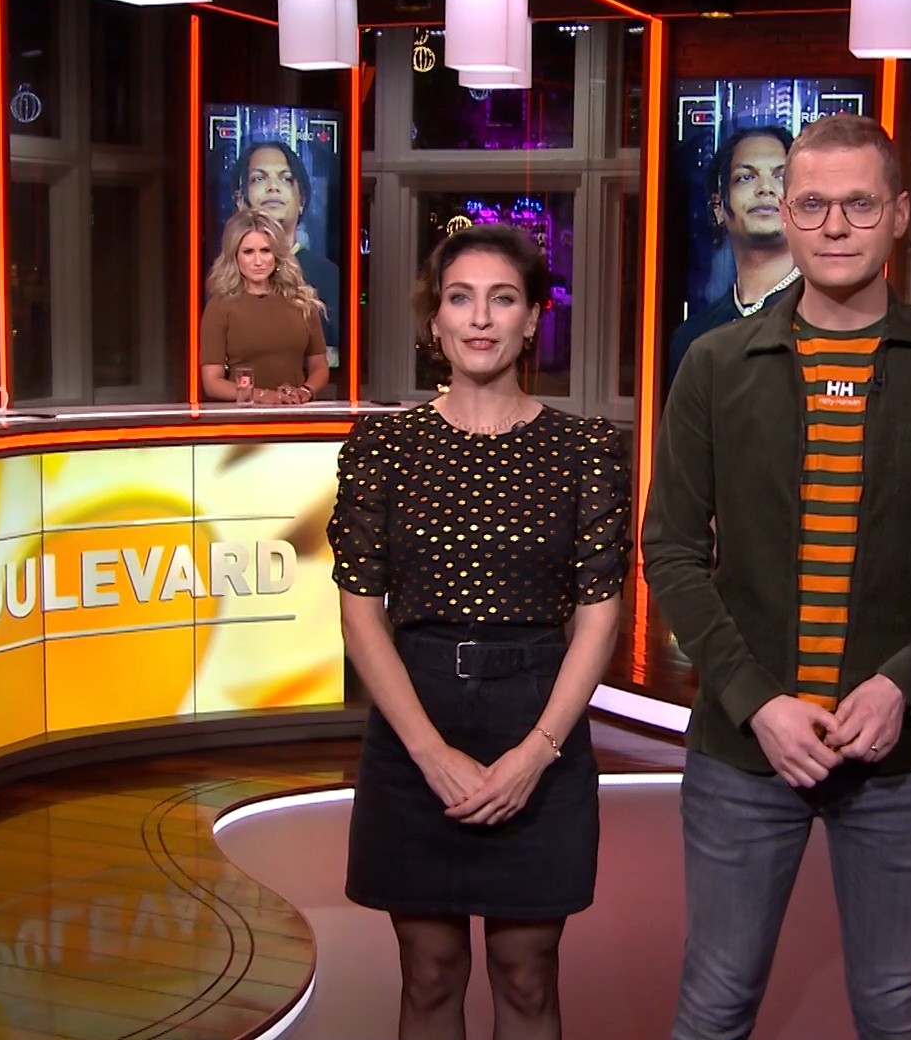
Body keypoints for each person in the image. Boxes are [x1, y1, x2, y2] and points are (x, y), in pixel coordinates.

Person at [643, 114, 911, 1040]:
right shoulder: (714, 365)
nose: (833, 226)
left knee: (895, 1009)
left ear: (899, 214)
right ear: (785, 213)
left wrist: (904, 685)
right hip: (746, 748)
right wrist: (756, 701)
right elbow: (671, 551)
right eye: (813, 204)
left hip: (900, 755)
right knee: (714, 1003)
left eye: (858, 204)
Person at [327, 224, 630, 1040]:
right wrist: (430, 753)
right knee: (428, 971)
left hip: (537, 712)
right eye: (460, 299)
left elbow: (599, 617)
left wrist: (537, 753)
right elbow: (359, 612)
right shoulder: (385, 446)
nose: (481, 318)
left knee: (527, 975)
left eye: (503, 299)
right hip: (414, 716)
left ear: (533, 318)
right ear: (436, 320)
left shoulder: (585, 449)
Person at [669, 125, 798, 374]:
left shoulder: (828, 320)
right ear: (718, 208)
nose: (765, 188)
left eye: (781, 177)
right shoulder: (693, 338)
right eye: (746, 177)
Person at [199, 210, 329, 404]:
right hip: (245, 416)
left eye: (266, 251)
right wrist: (264, 396)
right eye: (248, 252)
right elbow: (212, 382)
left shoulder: (301, 302)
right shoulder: (220, 307)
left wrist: (305, 391)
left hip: (295, 412)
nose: (258, 261)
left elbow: (320, 367)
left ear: (276, 254)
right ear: (235, 256)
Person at [234, 139, 341, 366]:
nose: (273, 187)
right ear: (240, 201)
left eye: (286, 178)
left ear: (302, 200)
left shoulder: (332, 278)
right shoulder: (224, 279)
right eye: (259, 178)